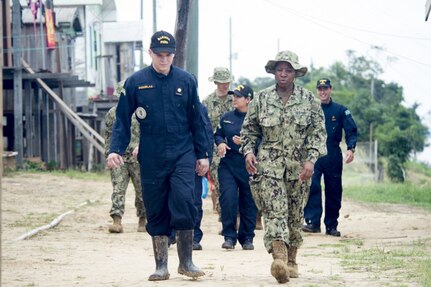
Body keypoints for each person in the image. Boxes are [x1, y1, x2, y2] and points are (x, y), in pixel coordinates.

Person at [106, 30, 210, 281]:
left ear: (174, 55)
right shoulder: (136, 82)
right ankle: (161, 265)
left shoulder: (186, 81)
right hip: (151, 154)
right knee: (155, 207)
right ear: (150, 53)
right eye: (159, 54)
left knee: (185, 199)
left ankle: (186, 262)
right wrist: (114, 150)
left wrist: (203, 154)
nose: (164, 59)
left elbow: (198, 120)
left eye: (168, 55)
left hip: (182, 151)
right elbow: (121, 120)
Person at [240, 50, 327, 283]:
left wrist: (311, 159)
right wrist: (248, 151)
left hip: (299, 166)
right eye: (280, 69)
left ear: (296, 73)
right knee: (275, 210)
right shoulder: (261, 98)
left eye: (288, 70)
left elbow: (318, 134)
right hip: (269, 163)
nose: (283, 74)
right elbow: (249, 130)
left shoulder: (309, 100)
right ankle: (278, 258)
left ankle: (291, 260)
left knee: (295, 215)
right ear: (274, 72)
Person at [303, 78, 358, 237]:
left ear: (330, 89)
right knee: (312, 186)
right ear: (317, 91)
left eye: (325, 88)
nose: (323, 92)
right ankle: (313, 222)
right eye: (320, 89)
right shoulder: (310, 109)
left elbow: (351, 131)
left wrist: (351, 149)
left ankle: (331, 225)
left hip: (332, 154)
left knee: (333, 190)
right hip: (313, 154)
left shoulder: (340, 110)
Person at [215, 84, 257, 251]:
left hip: (248, 165)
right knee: (228, 199)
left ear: (248, 99)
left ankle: (247, 237)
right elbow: (218, 134)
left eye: (239, 96)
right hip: (228, 165)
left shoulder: (256, 119)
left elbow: (264, 140)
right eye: (234, 96)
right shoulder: (227, 117)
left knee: (248, 202)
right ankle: (229, 237)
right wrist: (221, 143)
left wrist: (246, 143)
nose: (234, 99)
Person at [168, 103, 214, 251]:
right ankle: (170, 233)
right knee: (169, 199)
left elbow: (207, 134)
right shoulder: (165, 104)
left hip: (193, 160)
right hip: (169, 159)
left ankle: (194, 236)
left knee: (193, 200)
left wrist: (206, 159)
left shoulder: (198, 108)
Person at [104, 98, 146, 233]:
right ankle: (116, 220)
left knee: (142, 190)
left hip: (138, 158)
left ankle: (143, 219)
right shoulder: (112, 113)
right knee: (118, 189)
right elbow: (109, 136)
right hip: (119, 157)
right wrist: (108, 155)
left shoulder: (142, 111)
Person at [202, 67, 234, 216]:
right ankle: (225, 217)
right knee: (221, 184)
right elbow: (203, 126)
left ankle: (239, 216)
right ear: (215, 82)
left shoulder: (236, 99)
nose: (225, 85)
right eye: (222, 82)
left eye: (227, 82)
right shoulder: (207, 102)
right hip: (215, 150)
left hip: (236, 148)